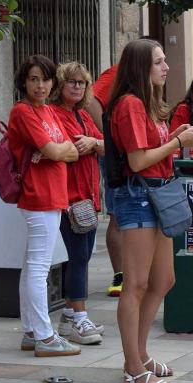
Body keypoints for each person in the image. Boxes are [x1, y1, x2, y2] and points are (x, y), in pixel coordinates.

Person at [108, 39, 193, 383]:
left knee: (163, 280)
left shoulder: (147, 103)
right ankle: (133, 367)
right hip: (138, 197)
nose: (166, 68)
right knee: (135, 284)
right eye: (159, 62)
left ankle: (140, 353)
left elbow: (151, 150)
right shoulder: (130, 104)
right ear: (141, 68)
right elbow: (137, 161)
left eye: (165, 61)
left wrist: (176, 136)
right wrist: (178, 144)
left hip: (158, 193)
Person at [8, 55, 80, 357]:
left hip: (52, 195)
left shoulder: (48, 111)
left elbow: (71, 151)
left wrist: (55, 152)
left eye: (46, 79)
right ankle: (45, 338)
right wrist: (54, 151)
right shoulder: (23, 112)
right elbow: (55, 148)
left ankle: (31, 332)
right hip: (39, 195)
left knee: (32, 266)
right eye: (34, 78)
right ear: (24, 81)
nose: (41, 85)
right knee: (39, 268)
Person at [49, 62, 107, 345]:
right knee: (78, 258)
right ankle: (79, 317)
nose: (76, 87)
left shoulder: (83, 115)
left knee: (81, 257)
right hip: (68, 197)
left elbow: (106, 145)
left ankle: (72, 315)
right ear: (60, 85)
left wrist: (93, 144)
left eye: (82, 83)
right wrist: (87, 145)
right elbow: (64, 149)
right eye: (71, 82)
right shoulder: (54, 114)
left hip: (88, 196)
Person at [87, 64, 123, 297]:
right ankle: (120, 275)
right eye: (158, 60)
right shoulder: (118, 72)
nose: (164, 66)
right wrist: (107, 139)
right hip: (116, 156)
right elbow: (91, 101)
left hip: (137, 154)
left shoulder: (150, 82)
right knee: (117, 215)